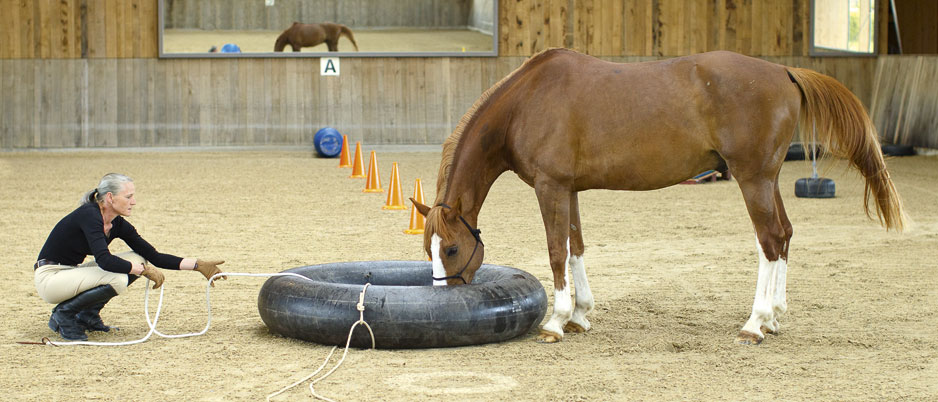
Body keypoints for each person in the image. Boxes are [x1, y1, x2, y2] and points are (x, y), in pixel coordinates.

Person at [34, 173, 226, 341]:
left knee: (138, 258)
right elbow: (104, 260)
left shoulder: (117, 224)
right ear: (110, 197)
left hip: (70, 273)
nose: (133, 201)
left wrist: (197, 265)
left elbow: (154, 256)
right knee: (117, 277)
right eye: (128, 196)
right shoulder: (89, 214)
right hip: (50, 278)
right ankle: (64, 314)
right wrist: (141, 271)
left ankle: (87, 316)